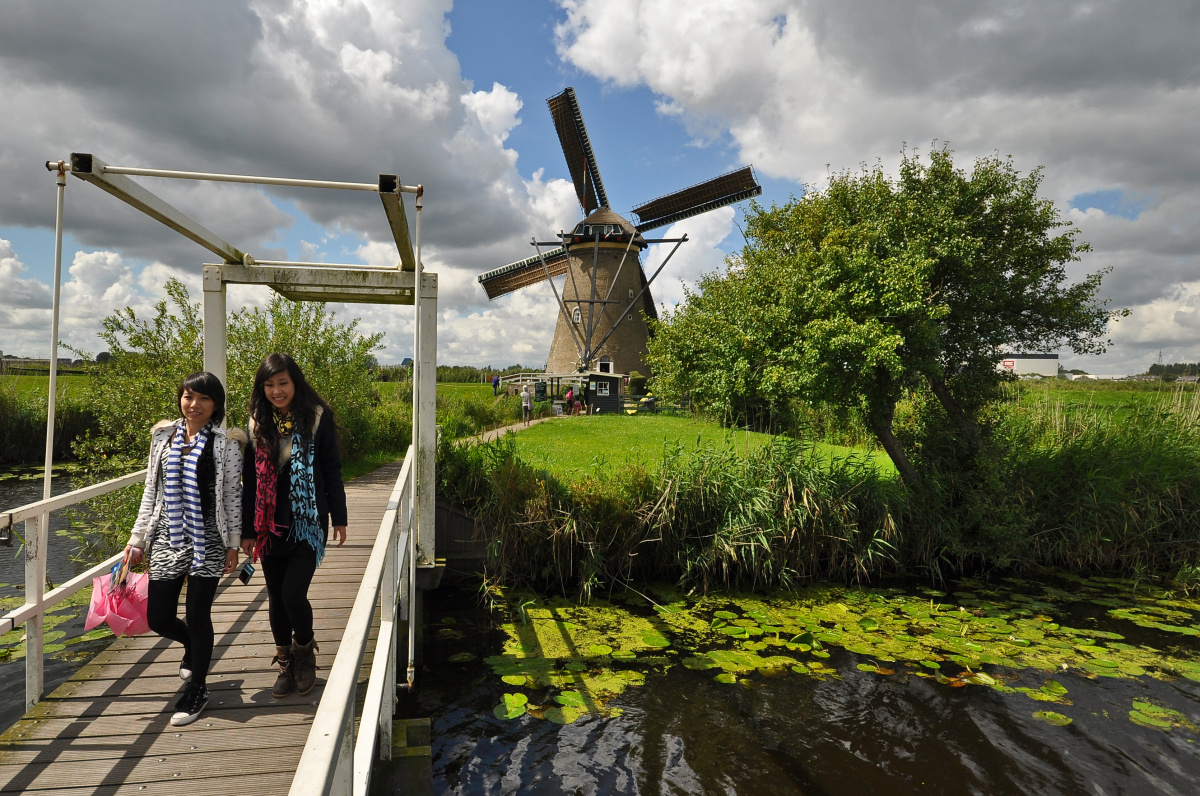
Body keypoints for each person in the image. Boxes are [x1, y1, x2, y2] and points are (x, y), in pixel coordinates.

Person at [123, 372, 245, 727]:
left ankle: (198, 688)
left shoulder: (227, 443)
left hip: (208, 537)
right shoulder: (163, 436)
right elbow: (151, 489)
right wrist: (137, 539)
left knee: (197, 614)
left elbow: (233, 497)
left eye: (204, 399)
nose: (194, 405)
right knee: (157, 617)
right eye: (189, 396)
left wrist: (233, 545)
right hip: (167, 535)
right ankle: (192, 647)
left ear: (216, 405)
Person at [241, 353, 347, 698]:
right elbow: (249, 481)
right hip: (269, 525)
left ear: (295, 382)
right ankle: (285, 663)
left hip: (307, 520)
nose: (276, 390)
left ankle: (305, 651)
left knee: (292, 594)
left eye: (283, 383)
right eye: (269, 384)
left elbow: (331, 468)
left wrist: (340, 517)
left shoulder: (316, 419)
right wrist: (246, 530)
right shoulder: (257, 424)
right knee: (275, 598)